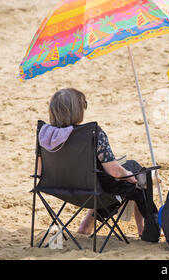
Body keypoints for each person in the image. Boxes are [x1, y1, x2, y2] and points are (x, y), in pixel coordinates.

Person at [36, 88, 144, 236]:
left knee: (101, 178)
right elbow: (115, 172)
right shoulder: (92, 133)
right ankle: (146, 229)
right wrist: (130, 175)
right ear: (76, 110)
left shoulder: (45, 135)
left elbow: (39, 172)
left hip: (58, 189)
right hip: (92, 191)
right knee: (137, 172)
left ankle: (87, 223)